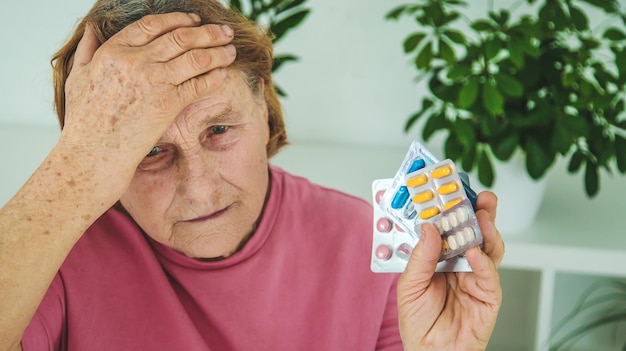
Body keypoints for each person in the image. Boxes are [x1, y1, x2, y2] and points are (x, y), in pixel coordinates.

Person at [0, 0, 504, 350]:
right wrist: (78, 159)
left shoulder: (369, 245)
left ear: (262, 102)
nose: (199, 189)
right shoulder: (53, 259)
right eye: (150, 150)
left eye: (219, 128)